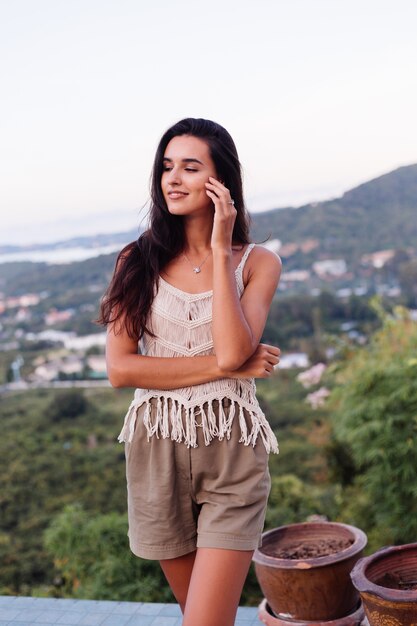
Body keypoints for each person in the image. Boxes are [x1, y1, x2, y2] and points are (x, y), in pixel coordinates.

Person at [99, 118, 281, 626]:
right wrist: (233, 365)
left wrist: (222, 249)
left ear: (221, 180)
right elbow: (120, 369)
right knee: (196, 616)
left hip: (232, 451)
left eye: (190, 167)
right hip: (156, 446)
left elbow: (231, 349)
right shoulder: (136, 261)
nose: (172, 179)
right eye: (166, 167)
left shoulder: (257, 263)